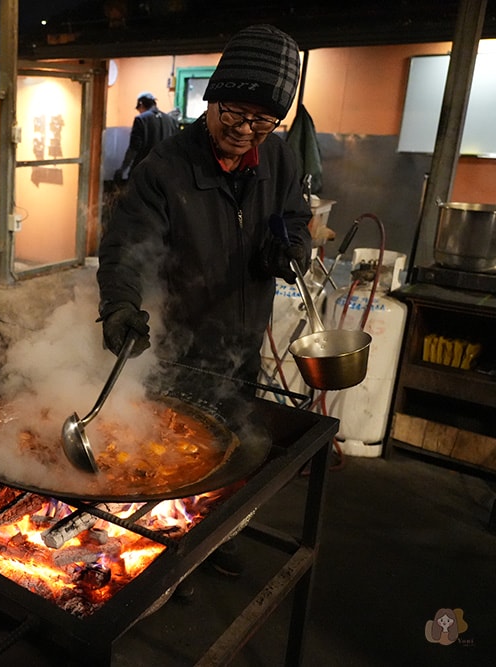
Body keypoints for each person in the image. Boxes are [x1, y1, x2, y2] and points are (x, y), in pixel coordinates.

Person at [96, 25, 312, 577]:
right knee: (166, 458)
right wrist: (120, 306)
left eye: (262, 121)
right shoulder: (164, 170)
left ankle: (220, 537)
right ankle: (166, 560)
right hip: (179, 345)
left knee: (234, 448)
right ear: (211, 99)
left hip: (243, 340)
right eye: (235, 113)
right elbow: (124, 249)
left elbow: (293, 217)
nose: (245, 130)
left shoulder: (280, 159)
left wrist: (291, 248)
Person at [113, 92, 180, 183]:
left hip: (144, 172)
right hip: (165, 174)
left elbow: (134, 148)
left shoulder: (141, 119)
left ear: (141, 104)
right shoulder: (170, 120)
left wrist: (123, 169)